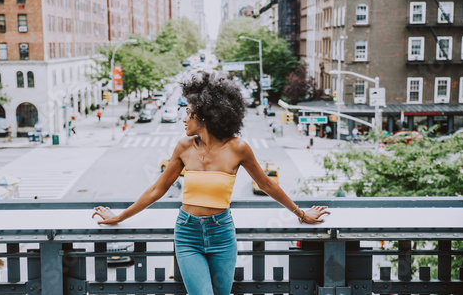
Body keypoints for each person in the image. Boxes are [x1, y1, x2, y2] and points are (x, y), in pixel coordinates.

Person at [92, 72, 329, 295]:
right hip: (188, 234)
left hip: (222, 234)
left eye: (188, 112)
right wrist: (119, 217)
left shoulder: (238, 148)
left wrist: (300, 213)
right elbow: (157, 189)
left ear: (204, 115)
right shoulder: (184, 146)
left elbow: (267, 184)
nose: (184, 117)